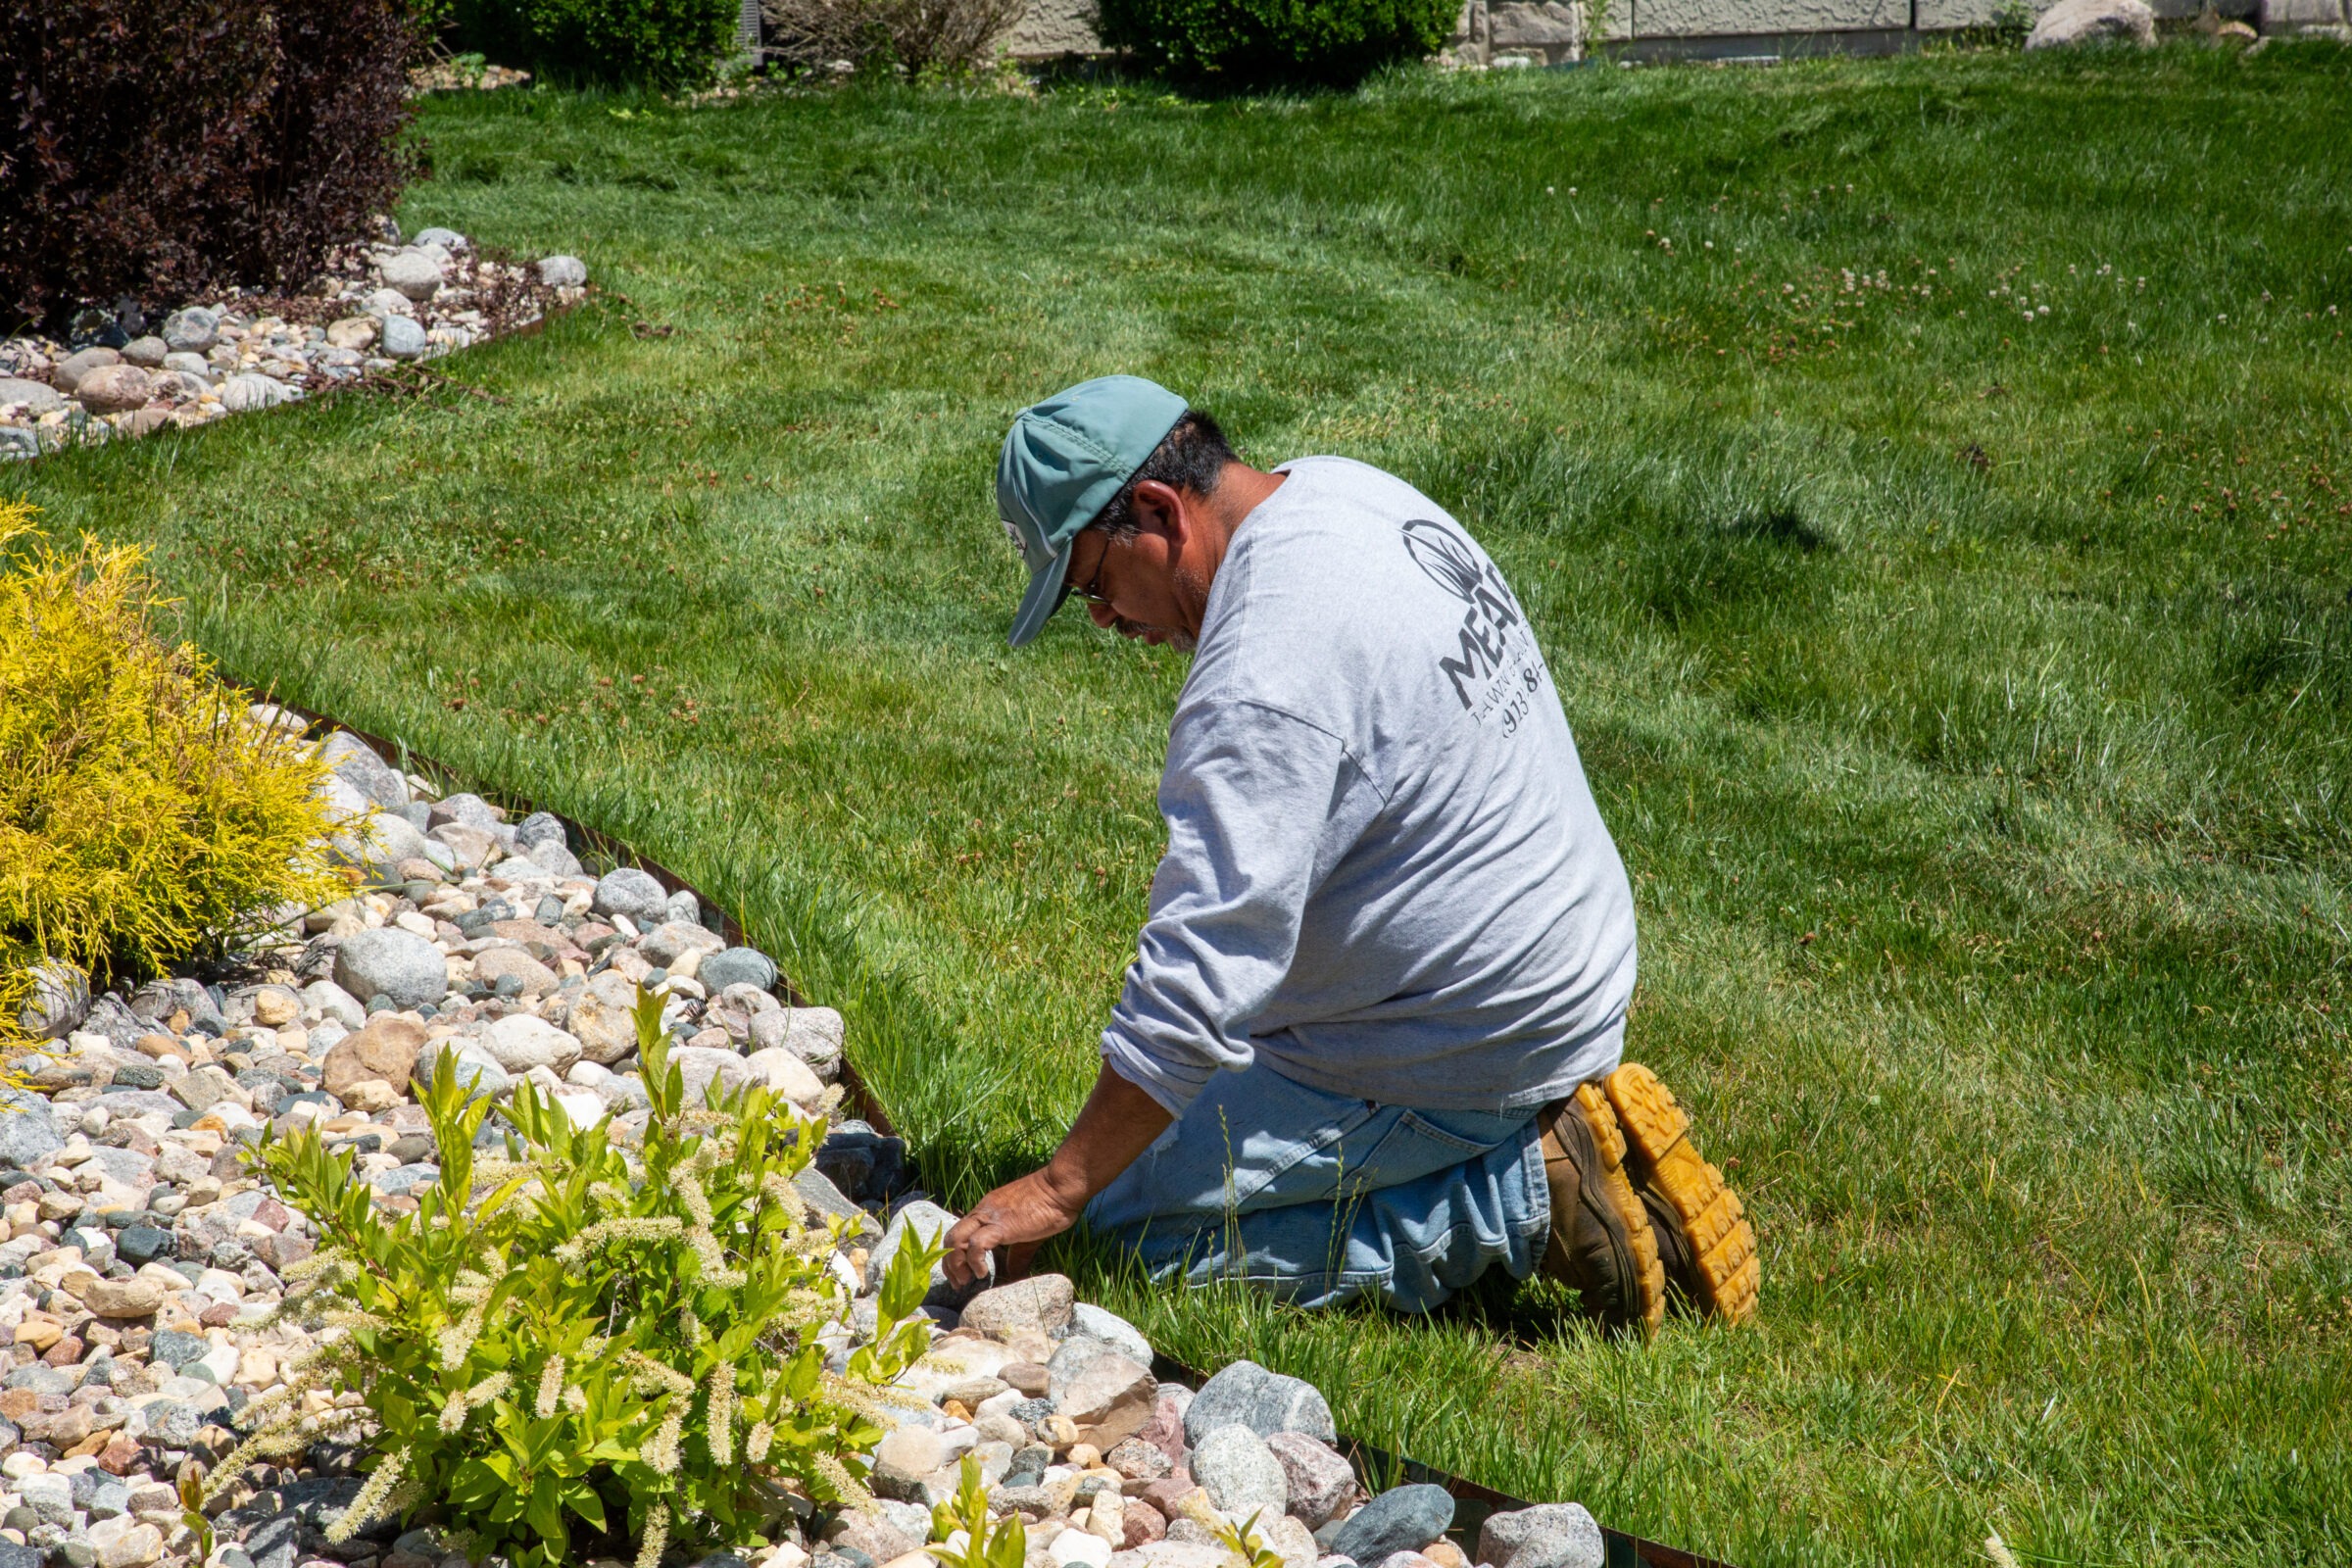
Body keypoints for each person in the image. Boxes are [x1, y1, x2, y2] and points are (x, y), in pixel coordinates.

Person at [940, 375, 1758, 1333]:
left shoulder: (1261, 676)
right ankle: (1508, 1136)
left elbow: (1200, 977)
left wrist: (1062, 1182)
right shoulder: (1337, 491)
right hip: (1557, 956)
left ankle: (1521, 1190)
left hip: (1464, 1036)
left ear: (1159, 511)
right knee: (1151, 1166)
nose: (1105, 621)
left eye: (1091, 584)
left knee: (1124, 1243)